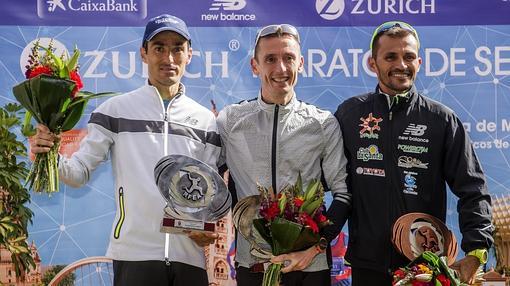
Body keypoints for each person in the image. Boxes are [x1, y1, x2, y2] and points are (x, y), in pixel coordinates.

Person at [275, 21, 494, 285]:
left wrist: (476, 252)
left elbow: (473, 189)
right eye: (390, 57)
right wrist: (293, 230)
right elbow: (322, 183)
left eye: (409, 57)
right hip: (368, 266)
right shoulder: (350, 114)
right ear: (372, 63)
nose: (401, 65)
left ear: (420, 62)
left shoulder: (441, 120)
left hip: (425, 268)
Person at [30, 14, 221, 286]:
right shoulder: (115, 110)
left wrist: (208, 227)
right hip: (133, 257)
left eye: (177, 48)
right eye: (159, 48)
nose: (169, 58)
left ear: (189, 54)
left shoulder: (206, 121)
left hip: (189, 259)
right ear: (144, 54)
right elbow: (78, 173)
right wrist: (48, 155)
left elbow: (210, 193)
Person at [217, 24, 352, 286]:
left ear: (300, 63)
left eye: (288, 58)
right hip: (254, 264)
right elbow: (210, 182)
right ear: (255, 66)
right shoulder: (230, 121)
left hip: (309, 266)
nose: (281, 69)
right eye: (270, 59)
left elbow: (343, 193)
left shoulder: (322, 123)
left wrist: (315, 248)